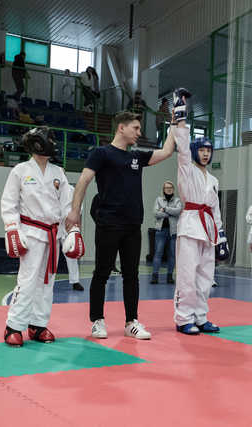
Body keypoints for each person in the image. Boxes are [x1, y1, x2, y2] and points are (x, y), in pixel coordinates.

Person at [65, 111, 177, 340]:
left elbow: (166, 151)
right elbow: (84, 181)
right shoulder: (101, 153)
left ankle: (131, 322)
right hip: (108, 224)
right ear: (121, 128)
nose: (139, 132)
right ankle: (97, 321)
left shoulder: (136, 157)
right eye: (135, 128)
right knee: (101, 274)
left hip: (132, 226)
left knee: (131, 275)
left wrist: (174, 123)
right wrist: (74, 211)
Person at [1, 127, 73, 346]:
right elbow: (9, 203)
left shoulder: (58, 172)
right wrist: (13, 229)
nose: (53, 143)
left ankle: (37, 325)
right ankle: (13, 326)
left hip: (53, 234)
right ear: (39, 143)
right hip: (30, 233)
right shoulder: (21, 171)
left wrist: (73, 230)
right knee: (28, 280)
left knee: (47, 281)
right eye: (49, 139)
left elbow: (66, 205)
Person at [170, 88, 228, 335]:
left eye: (209, 150)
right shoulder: (187, 169)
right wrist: (181, 113)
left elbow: (215, 209)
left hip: (208, 229)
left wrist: (221, 235)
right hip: (191, 223)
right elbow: (182, 146)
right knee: (186, 276)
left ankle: (201, 317)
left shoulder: (213, 180)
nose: (205, 153)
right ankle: (184, 319)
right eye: (202, 149)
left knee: (206, 277)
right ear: (195, 151)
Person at [150, 181, 182, 284]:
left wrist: (165, 209)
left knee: (172, 254)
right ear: (163, 190)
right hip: (161, 231)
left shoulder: (177, 200)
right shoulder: (158, 200)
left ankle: (169, 276)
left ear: (173, 189)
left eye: (171, 187)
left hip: (173, 232)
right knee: (158, 253)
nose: (169, 189)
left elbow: (178, 211)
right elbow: (156, 213)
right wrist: (169, 213)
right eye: (166, 187)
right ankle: (155, 276)